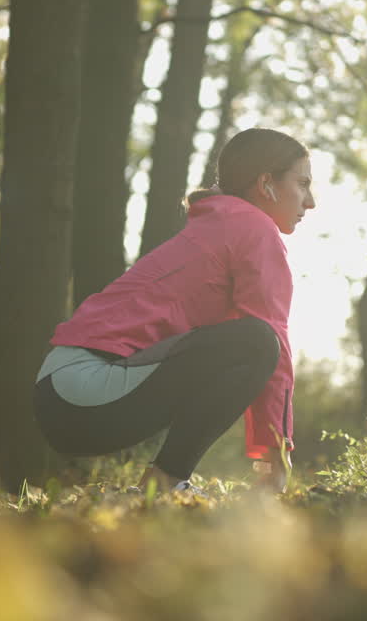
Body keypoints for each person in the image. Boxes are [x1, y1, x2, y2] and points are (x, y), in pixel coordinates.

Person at [33, 128, 316, 494]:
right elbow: (271, 338)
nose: (310, 202)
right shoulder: (254, 228)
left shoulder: (224, 224)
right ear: (267, 184)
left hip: (62, 392)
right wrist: (278, 455)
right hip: (84, 389)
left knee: (251, 341)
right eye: (303, 183)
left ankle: (168, 478)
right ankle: (167, 479)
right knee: (258, 341)